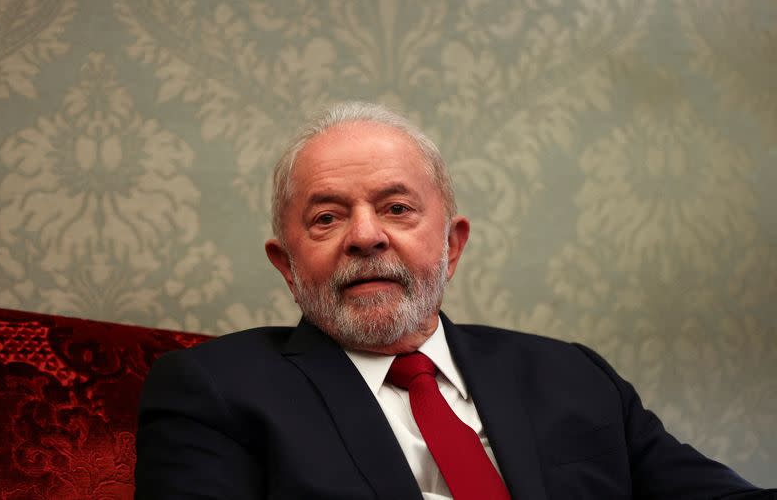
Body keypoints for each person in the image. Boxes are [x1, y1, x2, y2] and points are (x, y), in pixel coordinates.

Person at [135, 101, 773, 499]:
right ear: (287, 264)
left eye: (397, 208)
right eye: (327, 218)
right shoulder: (212, 391)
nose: (365, 235)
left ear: (452, 245)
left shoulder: (574, 376)